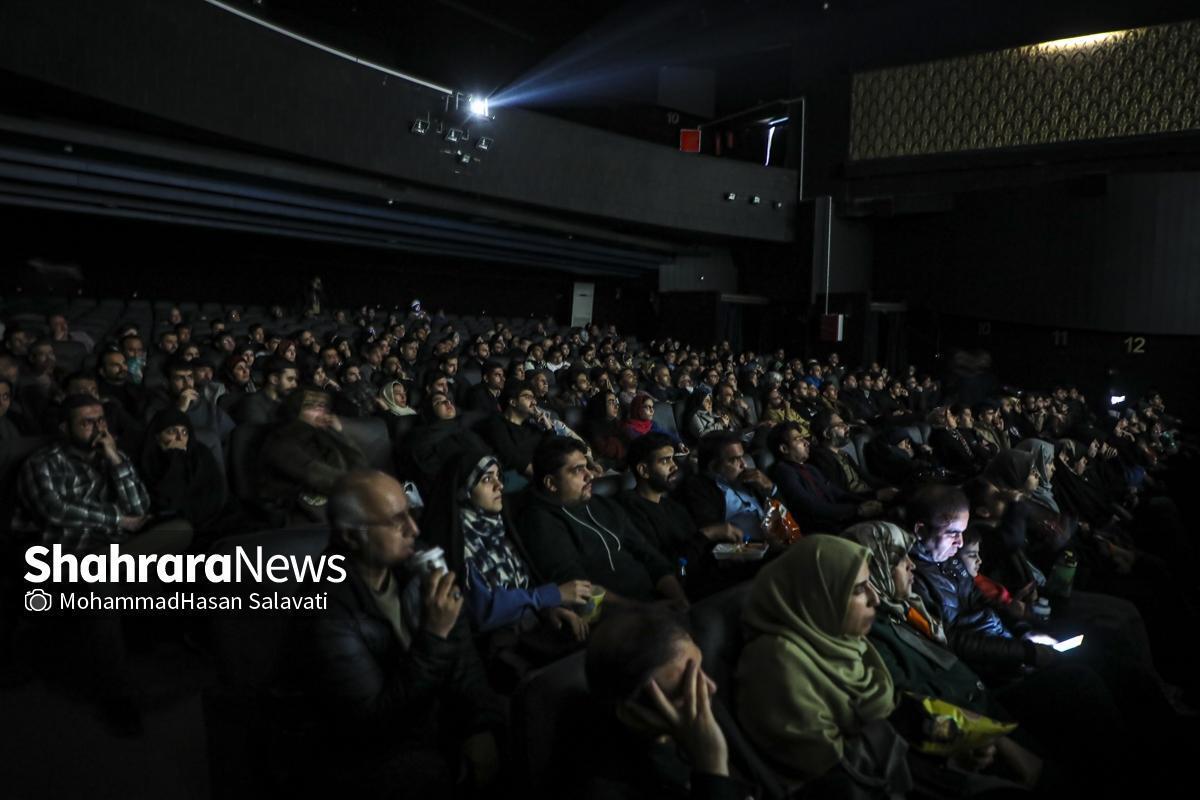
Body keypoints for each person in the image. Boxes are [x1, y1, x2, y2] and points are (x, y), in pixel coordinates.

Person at [736, 535, 912, 795]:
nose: (875, 598)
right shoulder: (775, 664)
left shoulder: (840, 641)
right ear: (816, 597)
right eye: (858, 589)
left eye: (871, 584)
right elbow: (835, 772)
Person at [578, 607, 769, 800]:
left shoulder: (698, 706)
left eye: (699, 669)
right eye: (684, 686)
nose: (710, 687)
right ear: (630, 713)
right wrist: (712, 768)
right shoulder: (609, 789)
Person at [519, 437, 689, 609]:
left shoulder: (603, 504)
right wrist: (643, 609)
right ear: (551, 483)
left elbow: (648, 554)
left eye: (587, 467)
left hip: (652, 600)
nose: (590, 475)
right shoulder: (541, 521)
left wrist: (678, 598)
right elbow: (577, 587)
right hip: (615, 612)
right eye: (578, 470)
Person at [17, 394, 192, 554]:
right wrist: (119, 519)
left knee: (181, 530)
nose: (99, 429)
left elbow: (139, 508)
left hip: (118, 544)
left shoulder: (115, 455)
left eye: (101, 421)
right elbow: (55, 509)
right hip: (73, 549)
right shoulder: (44, 462)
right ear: (65, 428)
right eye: (87, 423)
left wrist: (116, 461)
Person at [619, 433, 740, 598]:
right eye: (665, 461)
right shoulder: (629, 508)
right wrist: (708, 533)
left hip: (706, 578)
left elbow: (696, 550)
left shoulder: (672, 506)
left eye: (673, 459)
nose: (674, 467)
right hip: (679, 593)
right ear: (644, 470)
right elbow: (663, 566)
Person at [258, 386, 367, 522]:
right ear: (296, 410)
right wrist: (362, 484)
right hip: (295, 515)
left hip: (336, 505)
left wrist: (340, 434)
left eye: (323, 406)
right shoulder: (281, 439)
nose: (321, 411)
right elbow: (314, 473)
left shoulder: (324, 435)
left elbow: (360, 465)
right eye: (311, 406)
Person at [767, 422, 883, 532]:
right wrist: (857, 510)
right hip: (824, 531)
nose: (806, 442)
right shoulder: (784, 472)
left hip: (840, 520)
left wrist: (873, 497)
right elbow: (809, 506)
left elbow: (838, 493)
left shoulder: (810, 469)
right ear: (784, 449)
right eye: (798, 439)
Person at [139, 408, 226, 531]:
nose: (180, 438)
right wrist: (174, 457)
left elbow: (213, 496)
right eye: (171, 431)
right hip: (170, 527)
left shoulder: (201, 455)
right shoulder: (147, 459)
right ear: (157, 436)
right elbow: (166, 501)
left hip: (209, 522)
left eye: (184, 432)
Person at [235, 356, 299, 424]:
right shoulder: (252, 405)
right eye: (290, 379)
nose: (295, 385)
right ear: (274, 379)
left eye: (295, 380)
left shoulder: (287, 402)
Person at [582, 389, 629, 471]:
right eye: (611, 402)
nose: (616, 406)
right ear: (601, 405)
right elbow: (606, 451)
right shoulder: (592, 426)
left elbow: (629, 442)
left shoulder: (616, 423)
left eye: (616, 402)